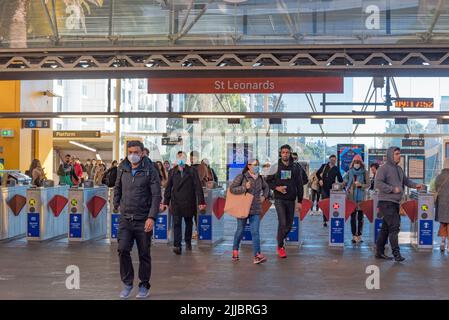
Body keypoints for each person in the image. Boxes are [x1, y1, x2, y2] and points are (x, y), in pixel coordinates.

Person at [113, 140, 161, 299]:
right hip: (125, 219)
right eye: (130, 152)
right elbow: (117, 187)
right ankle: (127, 283)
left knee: (144, 254)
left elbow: (156, 195)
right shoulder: (122, 168)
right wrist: (116, 203)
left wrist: (151, 217)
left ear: (142, 153)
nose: (132, 155)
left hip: (143, 219)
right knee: (122, 249)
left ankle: (144, 285)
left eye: (136, 152)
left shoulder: (150, 170)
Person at [375, 146, 423, 262]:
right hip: (386, 203)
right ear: (391, 155)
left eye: (399, 154)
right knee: (394, 227)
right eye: (396, 154)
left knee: (386, 229)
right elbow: (378, 183)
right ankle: (397, 255)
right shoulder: (383, 168)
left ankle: (379, 252)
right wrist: (392, 189)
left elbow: (406, 181)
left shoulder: (399, 169)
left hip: (395, 203)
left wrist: (416, 185)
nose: (399, 156)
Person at [161, 151, 206, 255]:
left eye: (183, 158)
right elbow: (168, 188)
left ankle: (188, 241)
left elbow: (198, 187)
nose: (181, 159)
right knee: (176, 223)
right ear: (176, 159)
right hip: (176, 202)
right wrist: (166, 202)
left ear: (186, 160)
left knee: (188, 222)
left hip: (189, 201)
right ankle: (177, 245)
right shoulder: (172, 171)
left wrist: (201, 202)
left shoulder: (192, 171)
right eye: (179, 157)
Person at [266, 144, 304, 259]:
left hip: (291, 200)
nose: (285, 154)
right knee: (282, 222)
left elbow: (300, 185)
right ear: (280, 154)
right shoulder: (275, 166)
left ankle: (279, 237)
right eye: (283, 152)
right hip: (279, 199)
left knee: (288, 225)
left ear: (290, 153)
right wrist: (277, 188)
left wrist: (300, 201)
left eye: (287, 152)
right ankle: (280, 246)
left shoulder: (296, 167)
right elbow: (268, 182)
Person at [230, 159, 269, 264]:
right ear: (249, 166)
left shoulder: (260, 178)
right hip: (243, 207)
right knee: (240, 230)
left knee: (255, 232)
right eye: (254, 165)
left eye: (257, 165)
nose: (256, 166)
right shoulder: (242, 176)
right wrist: (244, 187)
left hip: (255, 209)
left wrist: (264, 197)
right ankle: (235, 251)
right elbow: (232, 189)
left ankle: (257, 255)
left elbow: (267, 188)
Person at [346, 155, 370, 244]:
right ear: (353, 163)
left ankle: (359, 235)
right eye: (355, 162)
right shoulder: (349, 172)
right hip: (351, 198)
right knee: (352, 217)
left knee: (360, 218)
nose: (356, 164)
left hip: (361, 198)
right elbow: (345, 181)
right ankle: (353, 236)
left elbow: (368, 184)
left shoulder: (365, 173)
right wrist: (342, 185)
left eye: (358, 162)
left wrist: (361, 185)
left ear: (361, 163)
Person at [316, 155, 343, 227]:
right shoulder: (324, 166)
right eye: (332, 160)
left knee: (332, 205)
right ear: (329, 159)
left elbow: (340, 179)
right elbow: (317, 173)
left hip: (332, 189)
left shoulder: (336, 168)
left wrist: (343, 181)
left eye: (334, 160)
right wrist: (320, 180)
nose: (333, 161)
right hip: (324, 188)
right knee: (325, 204)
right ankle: (325, 220)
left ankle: (331, 218)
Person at [434, 159, 449, 252]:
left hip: (441, 204)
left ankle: (442, 242)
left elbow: (436, 188)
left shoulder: (438, 177)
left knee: (443, 223)